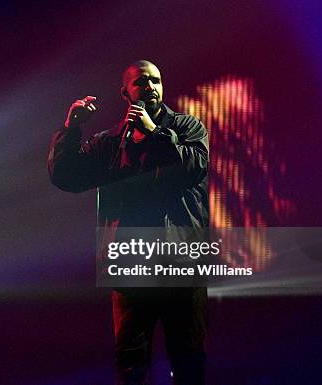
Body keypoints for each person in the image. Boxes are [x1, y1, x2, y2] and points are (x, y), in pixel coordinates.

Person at [48, 60, 208, 385]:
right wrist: (71, 128)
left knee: (188, 358)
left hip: (181, 263)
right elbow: (67, 177)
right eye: (141, 82)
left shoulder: (187, 128)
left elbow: (194, 167)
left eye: (156, 80)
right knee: (131, 362)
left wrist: (154, 133)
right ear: (126, 92)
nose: (150, 87)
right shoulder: (109, 142)